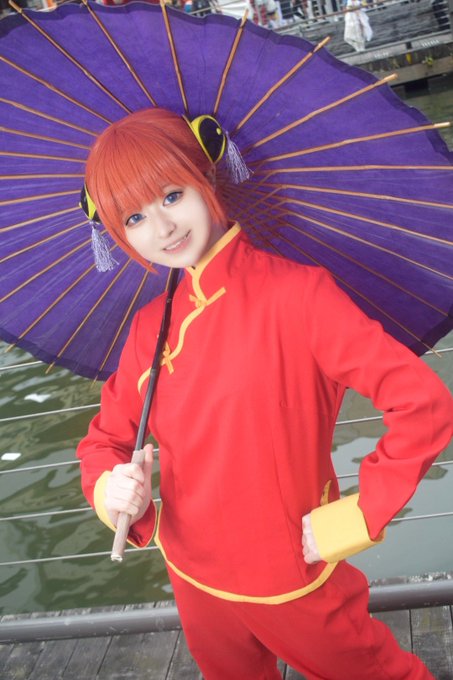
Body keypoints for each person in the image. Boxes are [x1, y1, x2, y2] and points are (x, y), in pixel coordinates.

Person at [77, 107, 453, 679]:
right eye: (134, 217)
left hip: (292, 573)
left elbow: (422, 404)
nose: (163, 228)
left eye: (172, 195)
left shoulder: (299, 294)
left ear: (207, 178)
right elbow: (104, 438)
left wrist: (362, 513)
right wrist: (114, 489)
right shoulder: (149, 325)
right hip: (192, 575)